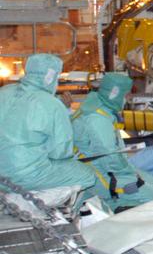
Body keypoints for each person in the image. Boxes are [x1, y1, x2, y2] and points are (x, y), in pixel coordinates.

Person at [0, 54, 97, 198]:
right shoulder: (52, 104)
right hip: (22, 175)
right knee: (87, 175)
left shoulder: (4, 92)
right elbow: (60, 153)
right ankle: (34, 203)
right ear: (50, 77)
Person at [71, 72, 153, 211]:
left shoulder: (99, 109)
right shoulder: (98, 119)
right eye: (126, 95)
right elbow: (109, 157)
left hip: (98, 169)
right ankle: (115, 206)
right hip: (99, 174)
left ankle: (114, 204)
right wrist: (128, 172)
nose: (127, 99)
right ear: (115, 94)